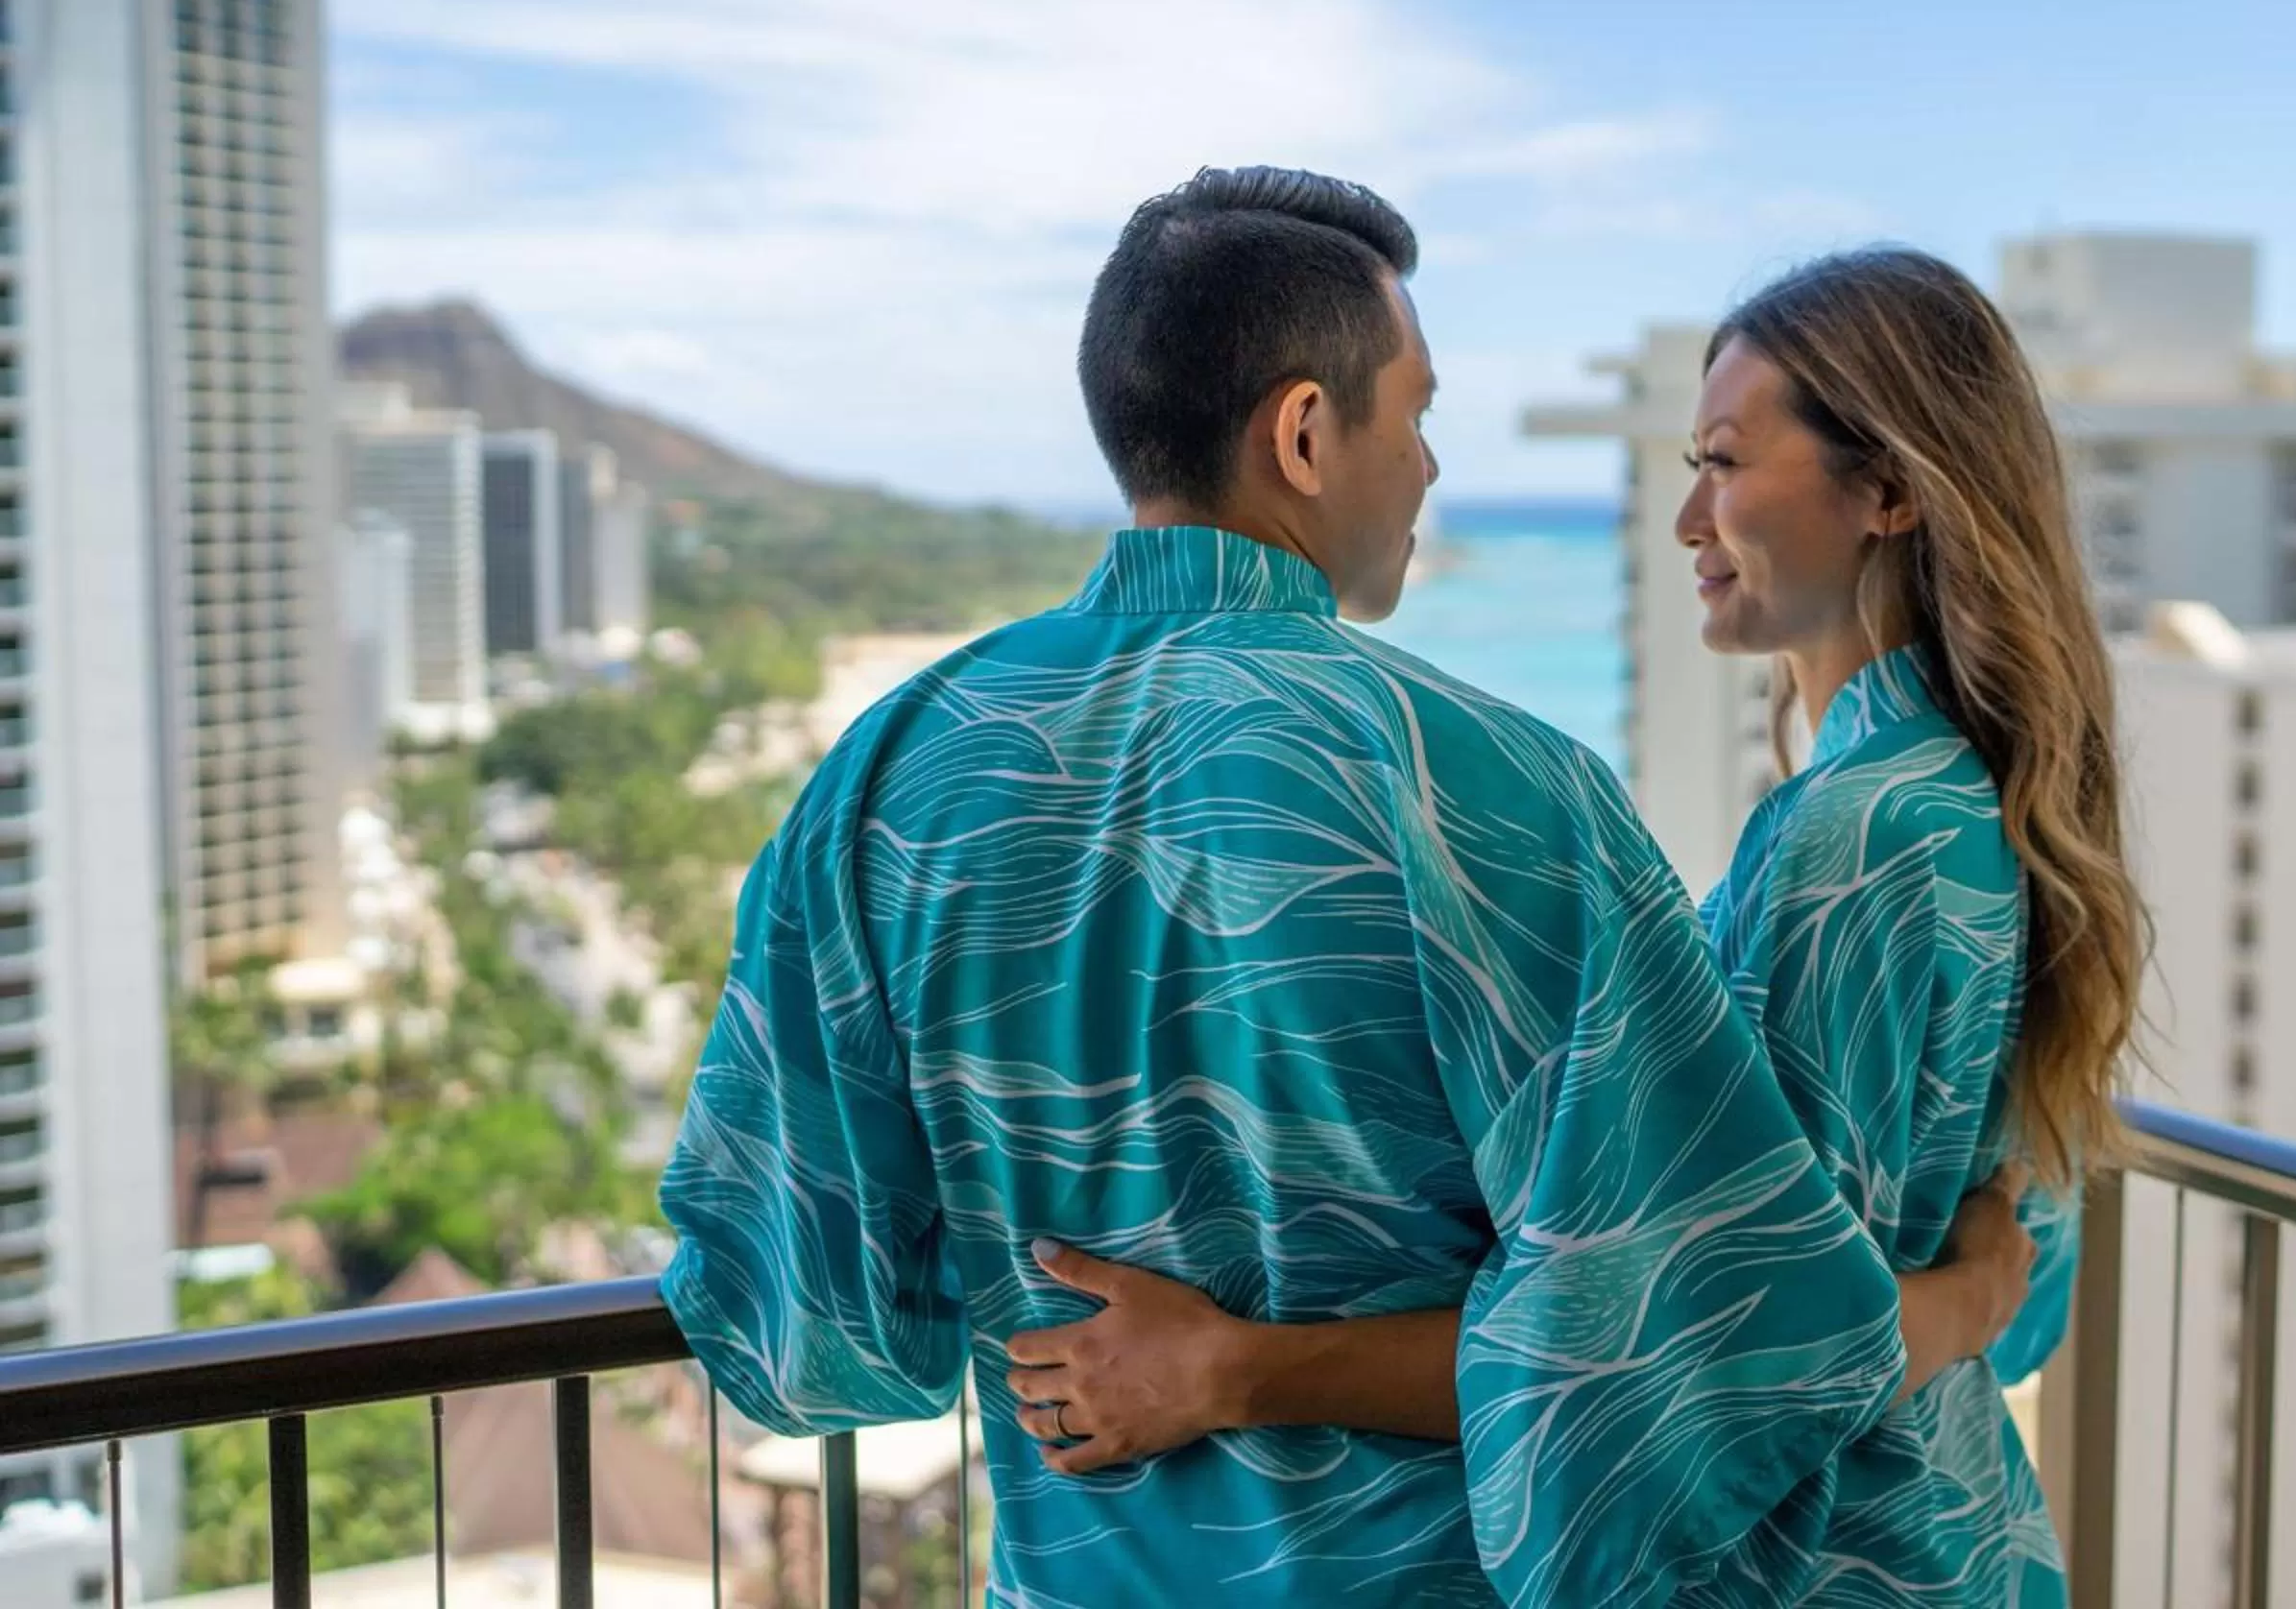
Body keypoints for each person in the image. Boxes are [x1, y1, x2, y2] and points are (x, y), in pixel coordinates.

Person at [657, 174, 2023, 1608]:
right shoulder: (1498, 794)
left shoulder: (886, 778)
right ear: (1305, 433)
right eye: (1418, 417)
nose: (1430, 468)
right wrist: (1976, 1291)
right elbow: (1701, 1339)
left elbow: (804, 1331)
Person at [1004, 246, 2144, 1604]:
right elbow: (2017, 1277)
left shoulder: (1856, 837)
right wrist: (1959, 1303)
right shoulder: (1964, 796)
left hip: (1830, 1565)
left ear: (1891, 487)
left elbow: (1704, 1361)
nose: (1688, 521)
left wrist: (1232, 1369)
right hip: (1953, 1535)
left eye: (1724, 462)